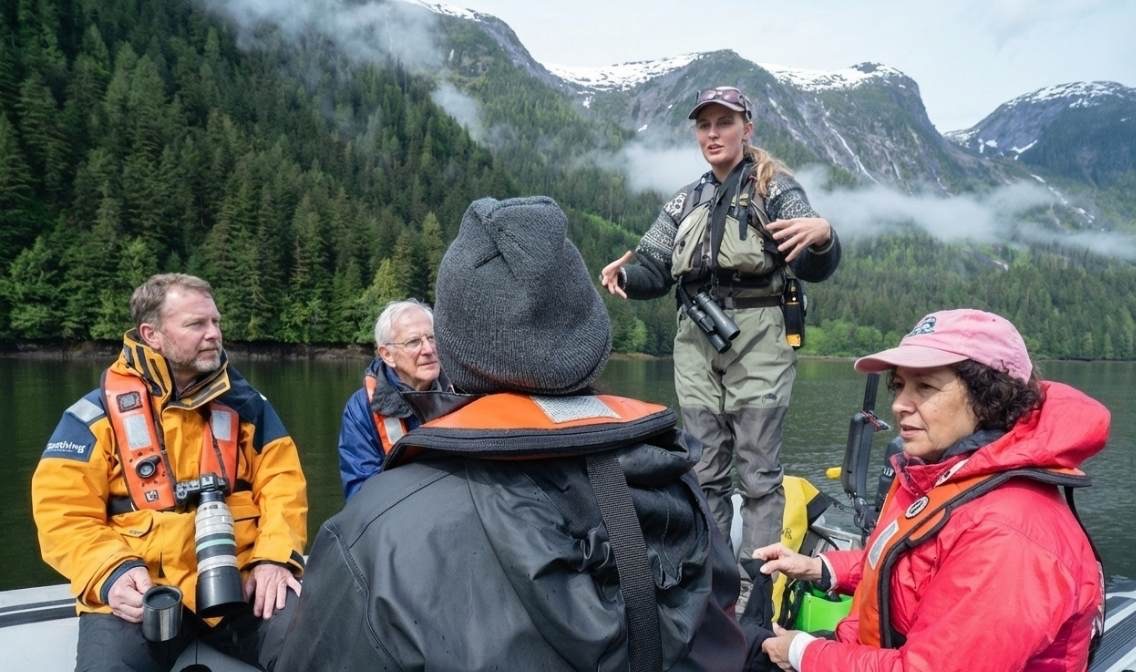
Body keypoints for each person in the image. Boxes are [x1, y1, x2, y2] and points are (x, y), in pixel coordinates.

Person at [278, 196, 745, 671]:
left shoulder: (369, 536)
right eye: (412, 342)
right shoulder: (679, 475)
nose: (423, 350)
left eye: (431, 339)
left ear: (453, 354)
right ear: (594, 343)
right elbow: (724, 621)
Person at [753, 308, 1106, 672]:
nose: (899, 405)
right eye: (899, 385)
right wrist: (819, 567)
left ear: (989, 398)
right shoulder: (942, 477)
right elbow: (911, 566)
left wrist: (803, 653)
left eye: (925, 387)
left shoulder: (1008, 534)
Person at [600, 86, 841, 569]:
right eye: (704, 125)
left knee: (757, 472)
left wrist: (824, 237)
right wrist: (625, 275)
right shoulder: (685, 200)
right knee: (702, 468)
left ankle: (757, 583)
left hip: (760, 337)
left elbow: (815, 262)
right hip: (696, 339)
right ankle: (707, 579)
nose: (713, 133)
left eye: (724, 123)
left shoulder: (776, 188)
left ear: (746, 128)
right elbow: (654, 264)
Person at [31, 273, 308, 672]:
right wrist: (111, 574)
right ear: (152, 334)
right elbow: (62, 514)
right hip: (140, 591)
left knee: (323, 647)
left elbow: (284, 486)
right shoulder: (93, 417)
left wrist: (275, 558)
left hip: (242, 578)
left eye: (215, 322)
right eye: (196, 324)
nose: (214, 334)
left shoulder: (249, 406)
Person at [337, 298, 451, 498]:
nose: (428, 349)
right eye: (414, 342)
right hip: (402, 518)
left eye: (432, 338)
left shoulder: (463, 391)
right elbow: (362, 494)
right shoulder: (361, 409)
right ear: (387, 354)